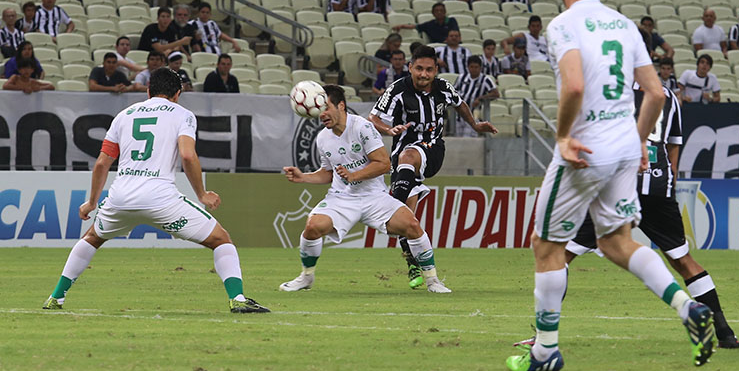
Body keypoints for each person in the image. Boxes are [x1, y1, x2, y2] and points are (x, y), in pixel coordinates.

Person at [505, 0, 713, 371]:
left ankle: (545, 352)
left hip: (586, 150)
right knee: (617, 242)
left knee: (546, 246)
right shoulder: (624, 24)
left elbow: (574, 86)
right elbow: (655, 93)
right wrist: (639, 141)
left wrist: (563, 137)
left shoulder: (563, 25)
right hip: (624, 149)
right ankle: (687, 306)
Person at [42, 68, 269, 314]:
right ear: (178, 93)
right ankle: (237, 299)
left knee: (91, 238)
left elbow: (101, 164)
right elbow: (187, 155)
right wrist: (202, 194)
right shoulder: (183, 115)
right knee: (221, 240)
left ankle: (56, 297)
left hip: (120, 198)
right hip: (161, 199)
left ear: (148, 91)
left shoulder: (124, 115)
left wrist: (91, 202)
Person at [564, 82, 739, 349]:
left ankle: (544, 337)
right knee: (683, 260)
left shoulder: (612, 87)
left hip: (617, 184)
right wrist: (670, 185)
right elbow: (673, 147)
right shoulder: (668, 95)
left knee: (560, 255)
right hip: (658, 186)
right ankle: (725, 331)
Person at [280, 85, 450, 293]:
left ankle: (433, 280)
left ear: (341, 106)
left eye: (326, 108)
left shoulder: (362, 127)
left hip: (374, 197)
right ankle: (306, 277)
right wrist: (303, 177)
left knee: (412, 226)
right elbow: (328, 173)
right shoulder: (322, 138)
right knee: (313, 227)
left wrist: (354, 175)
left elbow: (384, 164)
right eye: (319, 110)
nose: (321, 114)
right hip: (342, 198)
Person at [369, 45, 497, 289]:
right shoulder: (397, 89)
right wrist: (388, 129)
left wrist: (474, 124)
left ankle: (388, 207)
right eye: (419, 69)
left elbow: (460, 103)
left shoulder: (443, 87)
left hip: (432, 150)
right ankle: (413, 263)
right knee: (408, 219)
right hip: (402, 158)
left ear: (436, 70)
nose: (424, 74)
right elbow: (373, 118)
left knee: (408, 157)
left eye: (429, 70)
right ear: (410, 67)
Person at [453, 55, 499, 136]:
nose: (474, 69)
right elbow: (453, 91)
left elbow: (496, 94)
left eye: (476, 67)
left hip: (473, 117)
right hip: (459, 116)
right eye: (471, 67)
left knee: (468, 140)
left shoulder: (485, 80)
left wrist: (480, 98)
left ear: (480, 68)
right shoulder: (462, 77)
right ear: (468, 67)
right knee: (458, 139)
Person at [392, 2, 459, 44]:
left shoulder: (452, 21)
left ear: (445, 12)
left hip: (453, 44)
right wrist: (402, 26)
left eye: (441, 10)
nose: (439, 12)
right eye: (436, 11)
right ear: (433, 13)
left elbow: (456, 33)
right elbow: (416, 26)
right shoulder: (430, 25)